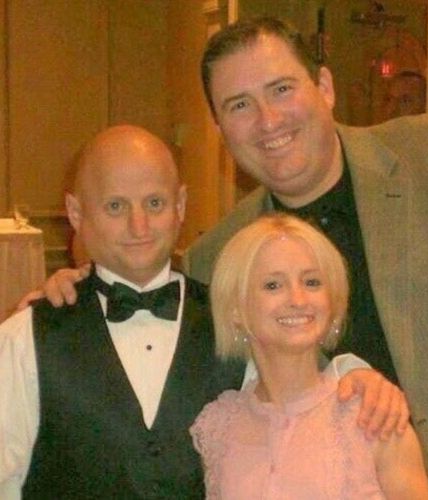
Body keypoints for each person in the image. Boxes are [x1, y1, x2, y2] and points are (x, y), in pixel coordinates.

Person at [21, 16, 428, 497]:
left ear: (325, 86)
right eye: (240, 105)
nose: (268, 120)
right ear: (220, 128)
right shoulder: (218, 258)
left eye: (282, 89)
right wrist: (76, 291)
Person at [0, 125, 407, 499]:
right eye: (116, 206)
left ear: (180, 205)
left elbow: (301, 390)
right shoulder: (28, 336)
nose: (139, 225)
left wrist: (354, 374)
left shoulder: (237, 319)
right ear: (76, 213)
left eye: (155, 203)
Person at [191, 213, 428, 499]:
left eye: (312, 282)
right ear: (235, 309)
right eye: (273, 285)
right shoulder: (220, 426)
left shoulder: (373, 417)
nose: (298, 300)